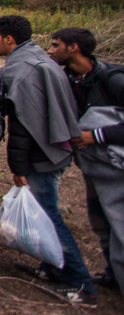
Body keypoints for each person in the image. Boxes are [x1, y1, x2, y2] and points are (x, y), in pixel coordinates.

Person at [0, 15, 97, 307]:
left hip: (43, 152)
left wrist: (19, 168)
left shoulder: (21, 71)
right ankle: (52, 268)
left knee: (49, 216)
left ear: (9, 40)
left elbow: (23, 125)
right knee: (45, 210)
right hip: (57, 145)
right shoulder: (36, 57)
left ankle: (82, 285)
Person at [48, 27, 123, 290]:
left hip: (116, 166)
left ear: (74, 48)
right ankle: (113, 275)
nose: (50, 50)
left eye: (56, 45)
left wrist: (98, 135)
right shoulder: (68, 79)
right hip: (93, 166)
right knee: (102, 223)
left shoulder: (113, 80)